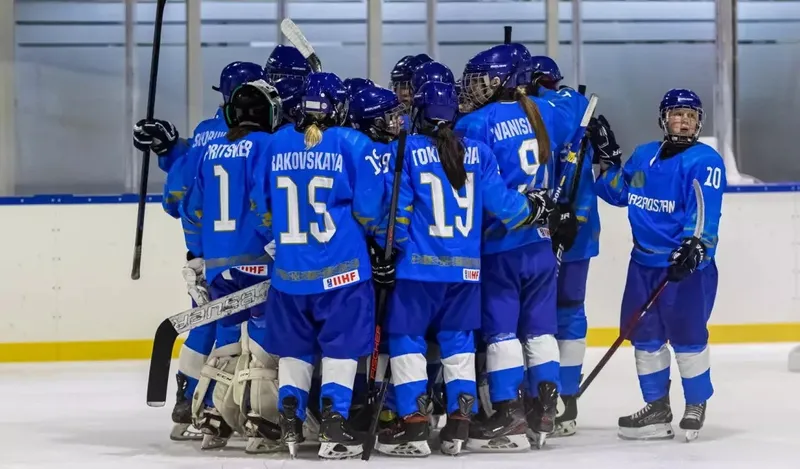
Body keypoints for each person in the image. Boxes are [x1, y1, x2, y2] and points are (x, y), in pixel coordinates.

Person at [373, 80, 555, 458]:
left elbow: (397, 217)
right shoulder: (478, 152)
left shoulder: (404, 150)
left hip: (418, 272)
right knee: (458, 346)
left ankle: (414, 425)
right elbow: (506, 207)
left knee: (408, 343)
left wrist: (386, 253)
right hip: (466, 272)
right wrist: (535, 208)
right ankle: (459, 424)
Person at [252, 72, 387, 460]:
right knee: (341, 350)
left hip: (289, 276)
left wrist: (275, 241)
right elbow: (369, 209)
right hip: (342, 273)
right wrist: (381, 244)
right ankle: (334, 422)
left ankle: (291, 420)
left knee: (295, 350)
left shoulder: (276, 144)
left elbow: (260, 204)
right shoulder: (352, 142)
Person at [132, 60, 264, 442]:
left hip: (209, 253)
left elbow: (178, 197)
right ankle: (236, 409)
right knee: (248, 330)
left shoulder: (207, 133)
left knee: (204, 323)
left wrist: (170, 149)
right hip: (253, 252)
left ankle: (190, 404)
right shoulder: (267, 137)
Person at [455, 43, 575, 451]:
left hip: (499, 244)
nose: (474, 88)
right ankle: (545, 405)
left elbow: (487, 194)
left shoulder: (475, 123)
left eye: (483, 80)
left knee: (502, 331)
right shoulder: (542, 113)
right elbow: (574, 121)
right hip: (540, 245)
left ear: (503, 80)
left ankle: (509, 412)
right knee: (541, 328)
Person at [591, 89, 724, 442]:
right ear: (663, 118)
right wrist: (607, 160)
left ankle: (695, 403)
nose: (684, 121)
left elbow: (704, 210)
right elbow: (621, 192)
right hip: (642, 265)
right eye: (677, 114)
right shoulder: (644, 157)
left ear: (699, 123)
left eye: (691, 116)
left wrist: (695, 246)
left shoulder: (704, 161)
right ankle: (656, 408)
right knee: (645, 338)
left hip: (685, 267)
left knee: (688, 337)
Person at [179, 79, 283, 451]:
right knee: (262, 342)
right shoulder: (270, 145)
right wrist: (277, 242)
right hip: (259, 259)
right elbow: (265, 200)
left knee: (226, 343)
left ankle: (215, 419)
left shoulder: (211, 151)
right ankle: (261, 421)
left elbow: (191, 211)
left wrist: (197, 254)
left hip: (219, 264)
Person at [529, 54, 601, 437]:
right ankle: (565, 399)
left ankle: (548, 397)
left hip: (547, 227)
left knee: (542, 314)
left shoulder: (534, 108)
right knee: (570, 310)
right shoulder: (579, 106)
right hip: (579, 228)